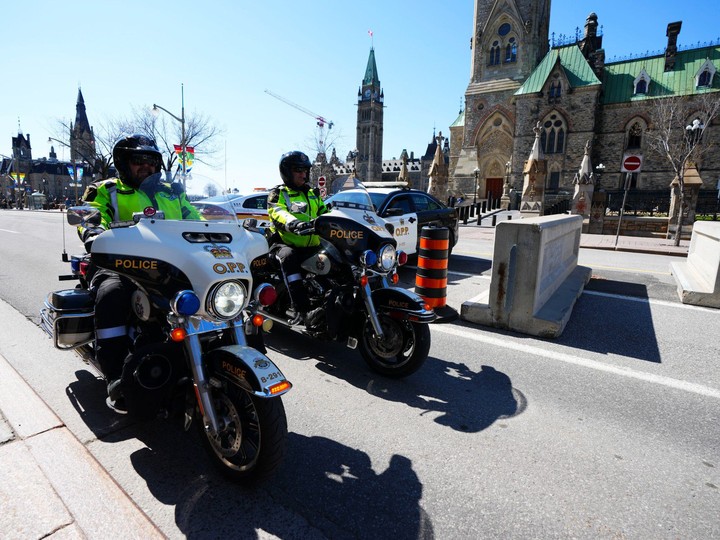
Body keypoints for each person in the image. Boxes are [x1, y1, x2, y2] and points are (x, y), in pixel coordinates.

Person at [77, 134, 201, 413]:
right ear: (123, 163)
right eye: (138, 161)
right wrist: (93, 232)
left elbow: (196, 219)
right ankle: (116, 375)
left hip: (169, 265)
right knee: (113, 294)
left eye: (152, 161)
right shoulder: (105, 190)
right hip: (119, 265)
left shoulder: (173, 191)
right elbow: (91, 216)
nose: (147, 167)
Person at [267, 150, 328, 326]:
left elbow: (326, 213)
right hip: (283, 244)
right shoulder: (279, 193)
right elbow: (278, 212)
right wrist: (294, 223)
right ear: (287, 172)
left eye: (305, 170)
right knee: (289, 257)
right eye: (298, 170)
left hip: (312, 246)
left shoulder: (313, 194)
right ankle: (302, 310)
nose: (303, 174)